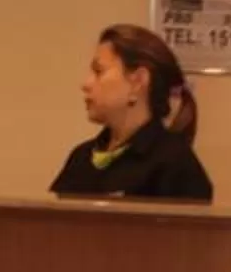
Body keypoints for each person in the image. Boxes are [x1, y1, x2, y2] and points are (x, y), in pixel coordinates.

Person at [53, 24, 216, 202]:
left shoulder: (176, 165)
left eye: (99, 71)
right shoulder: (81, 157)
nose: (86, 84)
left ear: (138, 81)